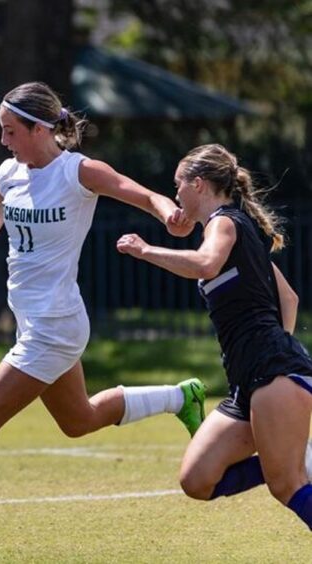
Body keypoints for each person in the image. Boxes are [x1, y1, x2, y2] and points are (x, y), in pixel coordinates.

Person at [0, 81, 206, 564]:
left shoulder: (78, 171)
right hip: (34, 325)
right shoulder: (7, 174)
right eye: (2, 131)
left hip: (56, 327)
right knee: (80, 421)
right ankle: (182, 396)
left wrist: (169, 214)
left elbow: (136, 193)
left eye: (10, 131)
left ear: (39, 128)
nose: (4, 140)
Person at [116, 143, 312, 530]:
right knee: (197, 479)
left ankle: (290, 458)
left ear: (199, 185)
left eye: (178, 185)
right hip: (251, 379)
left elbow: (206, 265)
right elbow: (289, 298)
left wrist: (145, 250)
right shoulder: (237, 231)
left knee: (286, 485)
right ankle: (292, 453)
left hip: (273, 373)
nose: (175, 195)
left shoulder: (226, 222)